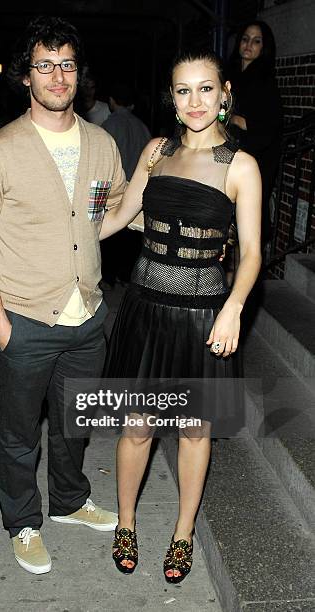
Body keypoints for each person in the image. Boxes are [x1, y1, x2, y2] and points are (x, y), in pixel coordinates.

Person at [0, 15, 126, 575]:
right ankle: (23, 521)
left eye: (68, 64)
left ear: (80, 74)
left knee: (77, 425)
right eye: (45, 65)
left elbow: (109, 213)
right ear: (25, 76)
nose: (58, 76)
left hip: (88, 318)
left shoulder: (102, 144)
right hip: (24, 319)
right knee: (20, 434)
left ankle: (71, 502)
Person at [100, 50, 262, 582]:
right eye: (183, 90)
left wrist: (234, 308)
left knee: (195, 431)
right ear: (171, 97)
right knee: (138, 426)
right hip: (146, 308)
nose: (194, 101)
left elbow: (254, 252)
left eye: (205, 89)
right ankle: (126, 524)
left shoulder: (240, 165)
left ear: (225, 93)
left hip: (204, 315)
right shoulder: (154, 152)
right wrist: (60, 224)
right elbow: (122, 219)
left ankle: (183, 533)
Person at [228, 20, 283, 243]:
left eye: (256, 41)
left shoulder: (264, 81)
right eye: (245, 38)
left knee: (246, 223)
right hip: (229, 150)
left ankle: (244, 274)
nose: (249, 44)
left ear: (264, 47)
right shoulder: (230, 74)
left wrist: (235, 119)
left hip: (255, 155)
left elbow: (268, 125)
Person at [101, 82, 152, 284]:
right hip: (138, 193)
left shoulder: (108, 126)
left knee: (111, 238)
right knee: (131, 241)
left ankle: (109, 278)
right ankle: (126, 276)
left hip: (114, 191)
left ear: (112, 101)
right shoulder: (142, 126)